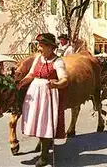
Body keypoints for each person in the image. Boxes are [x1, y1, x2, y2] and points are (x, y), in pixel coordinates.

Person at [18, 33, 69, 167]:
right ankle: (44, 146)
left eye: (41, 46)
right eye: (39, 45)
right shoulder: (38, 59)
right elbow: (31, 75)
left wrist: (56, 84)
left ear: (50, 47)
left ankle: (44, 156)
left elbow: (65, 79)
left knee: (45, 124)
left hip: (48, 95)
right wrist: (20, 83)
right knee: (37, 122)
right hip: (35, 93)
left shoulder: (58, 61)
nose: (39, 48)